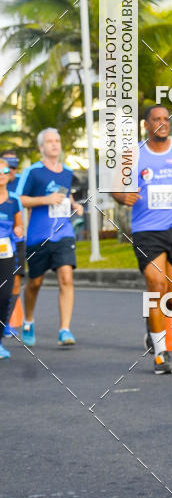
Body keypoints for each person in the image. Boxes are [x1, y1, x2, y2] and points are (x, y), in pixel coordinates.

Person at [111, 105, 172, 375]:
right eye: (157, 119)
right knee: (156, 283)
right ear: (146, 124)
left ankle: (152, 328)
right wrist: (122, 196)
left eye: (166, 119)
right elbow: (117, 189)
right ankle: (161, 353)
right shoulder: (133, 154)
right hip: (146, 230)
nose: (163, 123)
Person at [16, 129, 84, 347]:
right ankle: (28, 320)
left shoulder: (67, 171)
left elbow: (65, 194)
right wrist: (45, 200)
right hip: (38, 236)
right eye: (49, 142)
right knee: (35, 282)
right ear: (41, 147)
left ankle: (65, 329)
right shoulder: (33, 172)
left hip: (64, 233)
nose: (55, 145)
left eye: (57, 140)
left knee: (66, 277)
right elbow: (17, 199)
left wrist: (74, 205)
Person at [0, 157, 24, 359]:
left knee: (5, 296)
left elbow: (19, 226)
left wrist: (18, 230)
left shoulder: (14, 200)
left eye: (4, 170)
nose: (1, 174)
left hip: (6, 252)